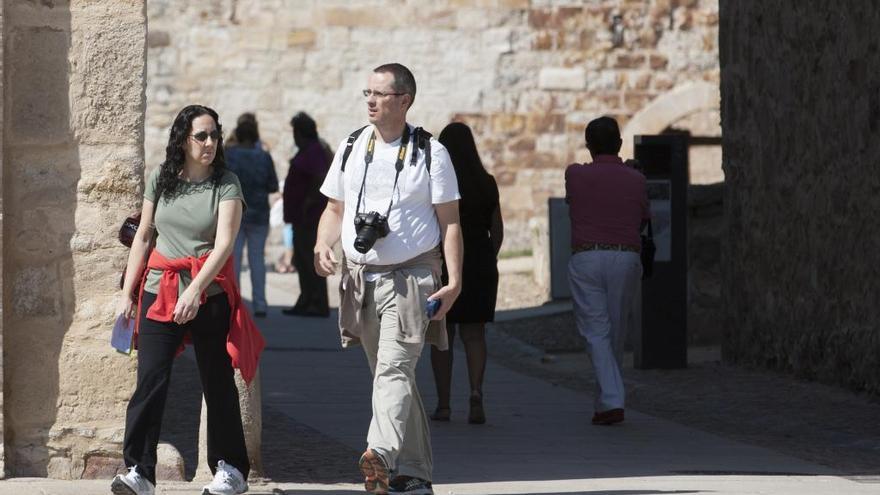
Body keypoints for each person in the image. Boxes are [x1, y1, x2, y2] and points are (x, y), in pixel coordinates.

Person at [314, 63, 462, 495]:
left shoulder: (430, 152)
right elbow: (334, 209)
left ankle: (379, 453)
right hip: (361, 278)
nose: (371, 101)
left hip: (413, 277)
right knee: (390, 374)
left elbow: (450, 222)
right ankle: (415, 473)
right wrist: (322, 244)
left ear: (404, 100)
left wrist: (454, 282)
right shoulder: (351, 145)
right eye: (367, 93)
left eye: (380, 94)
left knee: (395, 368)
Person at [112, 105, 264, 495]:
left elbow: (225, 242)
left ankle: (230, 469)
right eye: (202, 136)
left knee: (216, 382)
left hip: (208, 294)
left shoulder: (226, 183)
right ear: (183, 139)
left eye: (215, 135)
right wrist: (128, 293)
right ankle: (139, 472)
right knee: (150, 379)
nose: (210, 143)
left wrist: (195, 290)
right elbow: (144, 236)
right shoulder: (160, 180)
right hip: (158, 291)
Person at [565, 116, 650, 426]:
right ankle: (605, 403)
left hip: (587, 257)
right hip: (625, 257)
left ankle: (611, 401)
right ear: (620, 144)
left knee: (595, 331)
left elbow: (574, 204)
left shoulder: (574, 174)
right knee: (614, 331)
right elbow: (643, 218)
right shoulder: (637, 179)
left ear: (589, 146)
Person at [429, 123, 503, 425]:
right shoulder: (487, 182)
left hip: (445, 264)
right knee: (475, 334)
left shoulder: (439, 183)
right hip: (480, 263)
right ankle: (475, 392)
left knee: (441, 336)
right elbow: (497, 231)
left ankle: (444, 404)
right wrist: (487, 258)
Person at [226, 116, 279, 317]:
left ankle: (235, 302)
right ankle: (260, 303)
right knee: (257, 259)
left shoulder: (229, 155)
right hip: (259, 214)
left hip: (235, 213)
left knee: (235, 259)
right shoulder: (263, 157)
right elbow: (273, 185)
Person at [282, 112, 332, 317]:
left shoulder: (313, 151)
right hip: (301, 218)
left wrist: (309, 201)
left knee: (311, 261)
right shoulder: (310, 150)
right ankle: (306, 299)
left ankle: (316, 302)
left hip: (309, 219)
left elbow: (320, 177)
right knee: (302, 261)